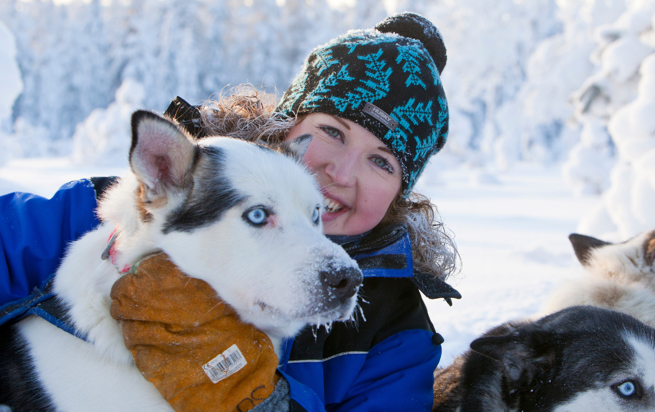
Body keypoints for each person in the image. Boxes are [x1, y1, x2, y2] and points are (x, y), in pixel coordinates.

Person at [0, 12, 460, 412]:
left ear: (401, 190)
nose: (340, 172)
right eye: (332, 131)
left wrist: (258, 399)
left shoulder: (393, 333)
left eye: (382, 161)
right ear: (290, 125)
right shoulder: (120, 207)